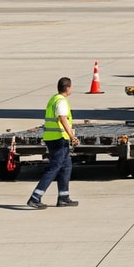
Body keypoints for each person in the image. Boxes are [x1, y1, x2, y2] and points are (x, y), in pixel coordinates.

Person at [27, 76, 79, 209]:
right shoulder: (61, 101)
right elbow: (62, 119)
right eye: (71, 87)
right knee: (54, 168)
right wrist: (72, 136)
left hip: (55, 137)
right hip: (58, 139)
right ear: (67, 88)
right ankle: (35, 197)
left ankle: (64, 197)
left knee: (66, 166)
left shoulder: (53, 99)